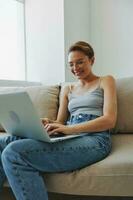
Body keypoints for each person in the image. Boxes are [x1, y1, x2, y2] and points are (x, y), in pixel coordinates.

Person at [0, 41, 117, 200]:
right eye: (71, 64)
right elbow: (60, 122)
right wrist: (48, 122)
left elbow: (109, 120)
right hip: (70, 134)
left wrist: (68, 129)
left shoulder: (105, 80)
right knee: (3, 143)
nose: (75, 68)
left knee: (13, 152)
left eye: (80, 62)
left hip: (94, 138)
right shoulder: (68, 89)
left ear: (92, 60)